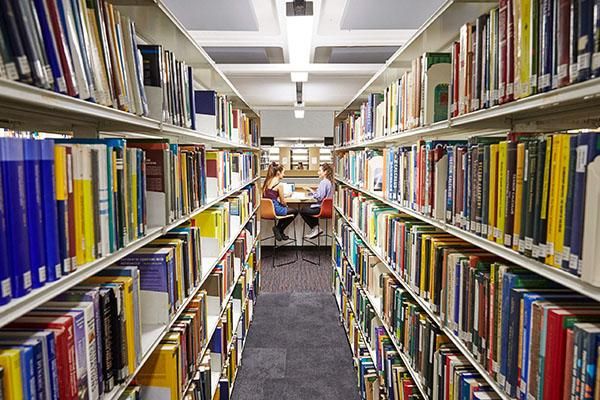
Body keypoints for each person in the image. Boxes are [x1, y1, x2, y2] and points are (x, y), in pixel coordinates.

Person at [262, 162, 298, 241]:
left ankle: (279, 231)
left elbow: (269, 196)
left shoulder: (266, 182)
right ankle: (279, 229)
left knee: (286, 211)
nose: (284, 175)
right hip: (276, 209)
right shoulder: (279, 185)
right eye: (283, 172)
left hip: (267, 210)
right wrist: (286, 205)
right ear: (278, 173)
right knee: (295, 211)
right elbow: (283, 202)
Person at [300, 163, 333, 239]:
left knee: (302, 210)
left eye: (319, 171)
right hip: (330, 209)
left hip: (322, 209)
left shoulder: (324, 182)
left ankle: (315, 228)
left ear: (325, 172)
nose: (318, 172)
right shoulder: (331, 181)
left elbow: (319, 197)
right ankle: (316, 228)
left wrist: (310, 189)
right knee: (309, 209)